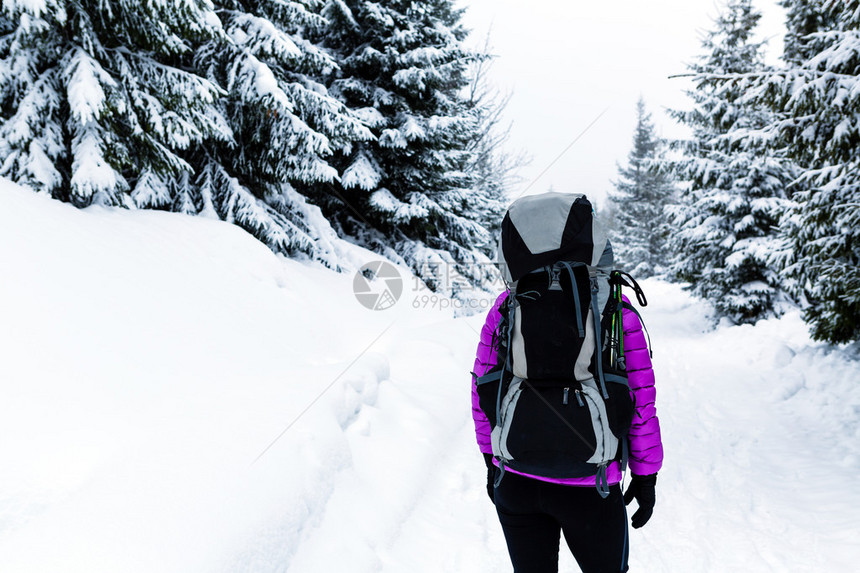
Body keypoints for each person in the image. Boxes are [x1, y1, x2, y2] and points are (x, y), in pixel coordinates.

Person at [471, 289, 663, 573]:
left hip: (516, 477)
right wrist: (646, 476)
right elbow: (640, 401)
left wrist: (490, 459)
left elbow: (483, 383)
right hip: (592, 486)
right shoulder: (613, 305)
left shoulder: (510, 300)